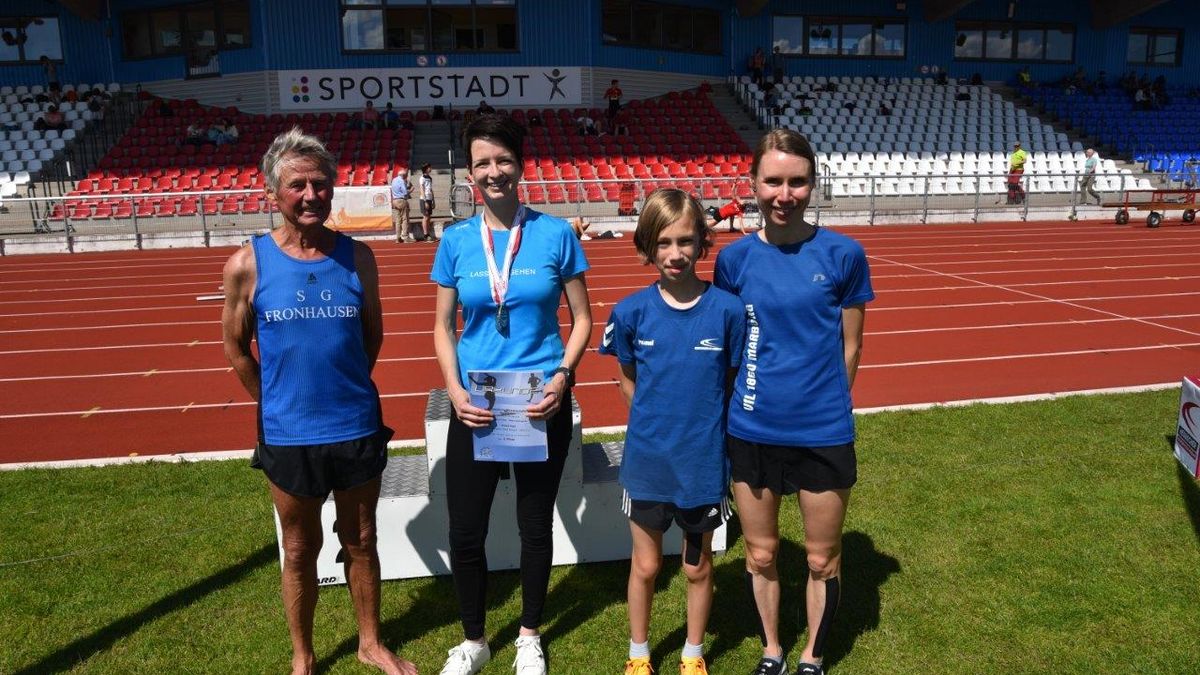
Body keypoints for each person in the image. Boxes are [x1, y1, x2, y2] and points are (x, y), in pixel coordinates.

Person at [220, 127, 416, 675]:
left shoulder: (359, 259)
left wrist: (342, 388)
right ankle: (303, 655)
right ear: (272, 194)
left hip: (355, 425)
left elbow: (371, 336)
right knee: (299, 547)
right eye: (297, 185)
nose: (311, 195)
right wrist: (274, 401)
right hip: (288, 434)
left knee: (361, 539)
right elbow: (236, 349)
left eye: (321, 184)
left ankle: (370, 642)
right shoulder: (247, 265)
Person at [431, 113, 592, 675]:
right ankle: (474, 640)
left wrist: (563, 376)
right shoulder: (456, 241)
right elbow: (442, 326)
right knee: (465, 529)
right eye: (482, 163)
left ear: (521, 166)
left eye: (503, 160)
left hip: (539, 401)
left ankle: (528, 635)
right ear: (469, 172)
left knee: (534, 525)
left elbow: (583, 318)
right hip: (476, 405)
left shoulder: (556, 234)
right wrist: (453, 389)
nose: (493, 171)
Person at [714, 129, 874, 675]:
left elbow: (851, 346)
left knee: (821, 558)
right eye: (774, 181)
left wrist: (826, 403)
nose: (785, 194)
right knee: (760, 553)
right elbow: (730, 348)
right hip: (751, 430)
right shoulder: (733, 260)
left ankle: (813, 656)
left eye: (798, 182)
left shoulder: (844, 254)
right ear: (753, 183)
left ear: (813, 184)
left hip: (822, 433)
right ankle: (772, 650)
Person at [599, 189, 746, 675]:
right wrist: (655, 424)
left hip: (702, 466)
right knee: (645, 565)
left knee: (697, 566)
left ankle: (693, 653)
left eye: (685, 241)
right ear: (647, 245)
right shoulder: (630, 312)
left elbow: (728, 383)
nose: (675, 253)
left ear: (702, 241)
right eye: (663, 242)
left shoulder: (727, 311)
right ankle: (639, 653)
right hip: (648, 466)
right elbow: (628, 379)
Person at [390, 168, 414, 243]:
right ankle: (406, 237)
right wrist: (411, 190)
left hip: (395, 200)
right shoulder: (401, 181)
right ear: (404, 175)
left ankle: (398, 237)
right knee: (404, 219)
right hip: (401, 200)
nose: (407, 176)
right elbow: (405, 192)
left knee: (398, 220)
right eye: (406, 175)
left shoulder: (394, 180)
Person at [419, 162, 435, 241]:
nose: (431, 168)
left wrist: (433, 200)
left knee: (429, 217)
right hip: (424, 199)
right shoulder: (422, 178)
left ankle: (428, 233)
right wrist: (425, 201)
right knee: (425, 217)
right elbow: (422, 189)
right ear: (426, 169)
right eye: (429, 167)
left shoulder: (430, 178)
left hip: (430, 198)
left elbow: (431, 189)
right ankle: (425, 235)